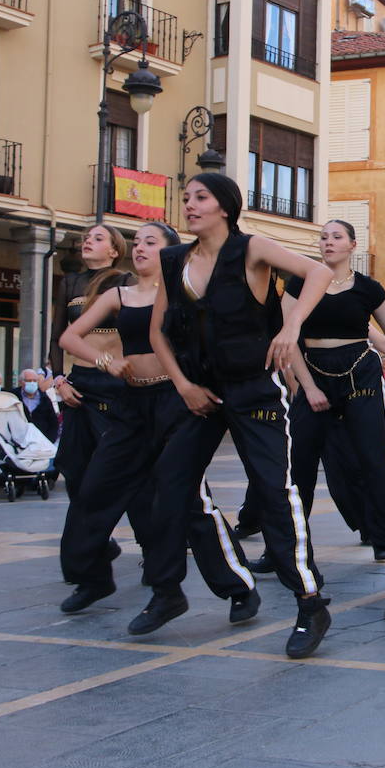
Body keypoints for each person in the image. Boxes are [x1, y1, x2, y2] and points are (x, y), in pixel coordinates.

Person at [69, 173, 331, 656]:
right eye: (186, 198)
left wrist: (291, 327)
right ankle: (167, 591)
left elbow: (318, 273)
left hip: (254, 390)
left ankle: (310, 602)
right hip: (202, 393)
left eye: (201, 197)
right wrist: (185, 385)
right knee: (170, 486)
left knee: (275, 491)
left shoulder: (251, 249)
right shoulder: (175, 261)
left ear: (225, 206)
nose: (190, 204)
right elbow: (157, 333)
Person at [58, 220, 262, 634]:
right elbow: (70, 337)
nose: (140, 248)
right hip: (131, 406)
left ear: (171, 252)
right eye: (136, 242)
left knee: (187, 502)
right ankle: (94, 577)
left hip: (177, 402)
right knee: (95, 489)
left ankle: (236, 587)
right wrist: (105, 362)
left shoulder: (187, 292)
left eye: (151, 242)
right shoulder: (118, 295)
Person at [267, 219, 385, 568]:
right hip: (314, 372)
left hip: (361, 373)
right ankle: (285, 548)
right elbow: (287, 334)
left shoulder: (368, 288)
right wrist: (306, 387)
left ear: (353, 245)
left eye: (337, 237)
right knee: (299, 465)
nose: (328, 242)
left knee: (375, 459)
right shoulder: (301, 282)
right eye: (324, 237)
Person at [50, 225, 134, 565]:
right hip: (78, 386)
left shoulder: (125, 282)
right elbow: (58, 335)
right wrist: (58, 379)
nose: (88, 241)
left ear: (114, 249)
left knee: (121, 469)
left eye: (98, 238)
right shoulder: (69, 283)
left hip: (118, 388)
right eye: (87, 237)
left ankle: (149, 539)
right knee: (72, 465)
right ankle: (100, 538)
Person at [14, 368, 59, 443]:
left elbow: (53, 423)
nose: (32, 383)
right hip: (18, 441)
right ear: (21, 382)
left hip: (41, 442)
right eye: (28, 381)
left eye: (34, 381)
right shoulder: (14, 396)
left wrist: (49, 441)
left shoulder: (45, 398)